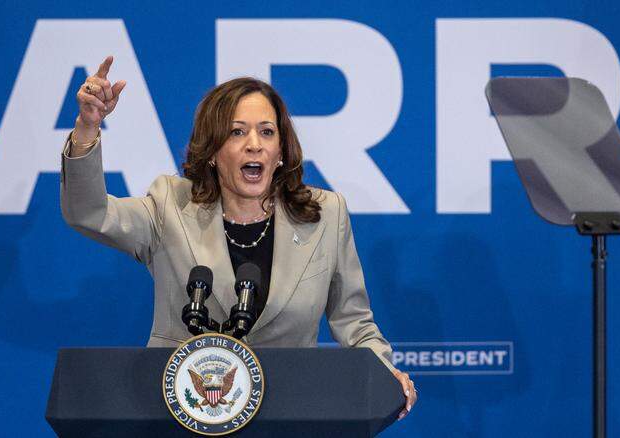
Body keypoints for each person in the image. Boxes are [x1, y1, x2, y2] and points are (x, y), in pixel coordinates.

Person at [60, 56, 416, 419]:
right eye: (236, 132)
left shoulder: (325, 215)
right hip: (184, 415)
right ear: (213, 151)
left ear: (280, 151)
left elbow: (354, 321)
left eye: (266, 131)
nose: (254, 145)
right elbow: (89, 214)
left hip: (290, 413)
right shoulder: (170, 206)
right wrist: (87, 127)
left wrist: (384, 372)